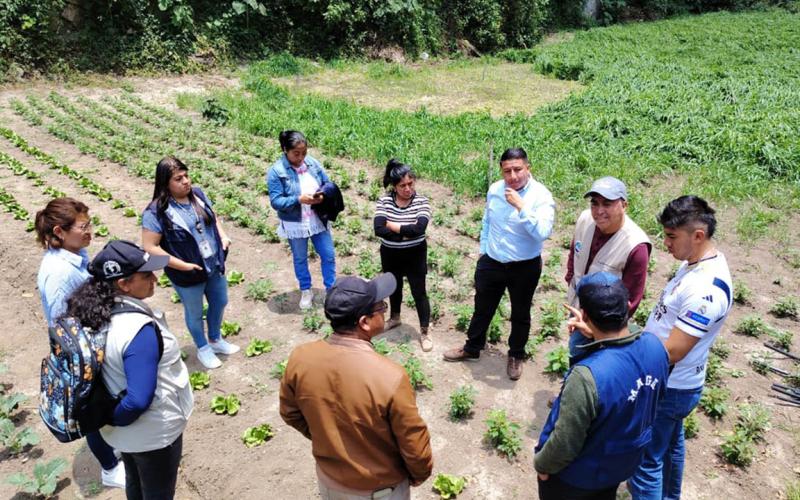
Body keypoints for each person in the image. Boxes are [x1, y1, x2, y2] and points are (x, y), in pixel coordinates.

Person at [280, 274, 433, 499]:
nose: (384, 311)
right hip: (380, 490)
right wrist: (417, 475)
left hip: (330, 483)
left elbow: (290, 413)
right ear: (365, 322)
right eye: (381, 306)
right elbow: (414, 446)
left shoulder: (300, 358)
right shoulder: (390, 377)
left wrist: (329, 440)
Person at [66, 240, 191, 500]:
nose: (155, 279)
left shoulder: (93, 311)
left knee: (135, 480)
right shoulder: (138, 330)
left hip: (124, 435)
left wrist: (109, 420)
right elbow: (137, 400)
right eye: (146, 275)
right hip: (151, 434)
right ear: (123, 284)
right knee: (158, 493)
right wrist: (114, 417)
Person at [628, 195, 733, 500]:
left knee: (645, 462)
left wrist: (624, 345)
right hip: (679, 385)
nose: (666, 244)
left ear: (698, 236)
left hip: (670, 387)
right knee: (670, 444)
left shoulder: (705, 291)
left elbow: (673, 350)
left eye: (672, 236)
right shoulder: (698, 262)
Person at [534, 272, 669, 500]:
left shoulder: (587, 376)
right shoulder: (657, 348)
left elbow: (565, 441)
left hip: (576, 478)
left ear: (584, 314)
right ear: (627, 306)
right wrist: (595, 335)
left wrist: (542, 465)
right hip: (620, 465)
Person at [34, 197, 126, 489]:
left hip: (91, 341)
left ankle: (114, 450)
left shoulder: (74, 255)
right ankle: (110, 468)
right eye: (83, 226)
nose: (90, 231)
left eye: (90, 223)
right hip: (82, 352)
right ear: (60, 232)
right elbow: (65, 325)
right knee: (92, 409)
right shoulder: (58, 273)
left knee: (102, 403)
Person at [443, 147, 555, 380]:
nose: (513, 176)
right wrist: (484, 250)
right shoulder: (495, 189)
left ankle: (515, 354)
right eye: (507, 171)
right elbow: (487, 221)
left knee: (520, 313)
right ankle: (472, 347)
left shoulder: (541, 196)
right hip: (492, 261)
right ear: (501, 171)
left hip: (524, 266)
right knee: (482, 308)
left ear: (528, 168)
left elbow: (543, 232)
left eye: (518, 170)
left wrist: (521, 207)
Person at [142, 156, 238, 370]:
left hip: (212, 263)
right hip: (187, 272)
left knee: (220, 301)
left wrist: (222, 236)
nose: (185, 181)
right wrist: (182, 265)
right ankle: (202, 347)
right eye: (178, 178)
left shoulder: (198, 195)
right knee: (194, 312)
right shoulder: (156, 211)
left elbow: (214, 218)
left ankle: (215, 339)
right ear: (165, 183)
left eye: (186, 175)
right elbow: (150, 248)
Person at [565, 176, 651, 355]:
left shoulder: (636, 246)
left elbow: (631, 300)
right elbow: (575, 252)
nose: (598, 211)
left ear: (624, 205)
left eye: (607, 204)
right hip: (578, 306)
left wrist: (600, 332)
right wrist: (571, 281)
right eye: (594, 203)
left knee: (591, 364)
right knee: (574, 353)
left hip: (604, 325)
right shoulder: (585, 219)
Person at [267, 130, 336, 310]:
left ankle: (331, 290)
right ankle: (306, 290)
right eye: (296, 153)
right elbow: (276, 201)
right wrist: (298, 199)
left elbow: (327, 183)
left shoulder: (312, 163)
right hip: (295, 222)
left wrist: (322, 196)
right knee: (300, 258)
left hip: (317, 219)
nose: (301, 157)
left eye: (304, 153)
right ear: (285, 150)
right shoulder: (277, 171)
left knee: (328, 254)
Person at [374, 158, 433, 351]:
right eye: (402, 186)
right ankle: (395, 318)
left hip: (415, 254)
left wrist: (392, 225)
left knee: (419, 292)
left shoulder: (422, 201)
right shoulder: (384, 201)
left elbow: (419, 229)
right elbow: (378, 228)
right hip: (390, 254)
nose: (408, 189)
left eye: (410, 184)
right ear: (394, 186)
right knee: (394, 287)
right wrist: (403, 235)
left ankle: (424, 331)